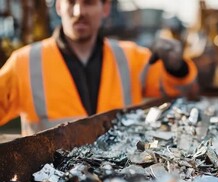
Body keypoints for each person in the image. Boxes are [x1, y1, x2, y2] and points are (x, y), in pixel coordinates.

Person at [0, 0, 198, 136]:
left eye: (88, 2)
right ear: (59, 6)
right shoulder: (24, 63)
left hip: (119, 180)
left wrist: (177, 67)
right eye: (71, 2)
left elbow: (178, 89)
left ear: (105, 8)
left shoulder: (132, 58)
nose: (79, 12)